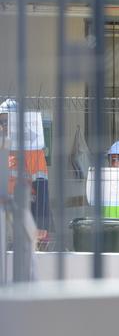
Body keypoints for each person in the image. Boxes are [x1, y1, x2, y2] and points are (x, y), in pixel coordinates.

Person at [1, 98, 50, 242]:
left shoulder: (33, 151)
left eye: (7, 121)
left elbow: (41, 186)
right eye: (1, 122)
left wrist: (41, 223)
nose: (4, 126)